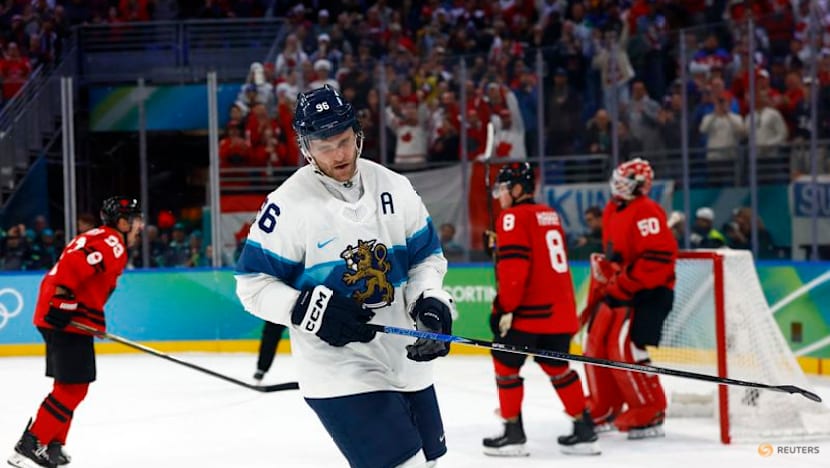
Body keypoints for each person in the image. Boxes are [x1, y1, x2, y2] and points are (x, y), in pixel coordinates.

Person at [235, 85, 456, 468]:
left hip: (407, 361)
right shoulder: (286, 205)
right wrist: (307, 309)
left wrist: (430, 302)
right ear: (306, 148)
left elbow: (426, 258)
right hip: (339, 368)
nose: (339, 154)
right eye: (324, 146)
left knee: (429, 463)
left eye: (343, 141)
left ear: (358, 134)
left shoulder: (394, 186)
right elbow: (252, 285)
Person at [7, 196, 143, 468]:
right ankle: (31, 443)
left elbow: (87, 280)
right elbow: (72, 265)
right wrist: (62, 303)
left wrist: (93, 321)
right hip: (66, 320)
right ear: (123, 222)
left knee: (68, 386)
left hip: (63, 318)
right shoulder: (112, 242)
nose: (140, 226)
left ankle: (52, 445)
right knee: (74, 388)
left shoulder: (99, 236)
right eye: (136, 220)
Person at [483, 162, 600, 457]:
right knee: (557, 366)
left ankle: (512, 433)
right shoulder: (549, 214)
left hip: (530, 314)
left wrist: (501, 309)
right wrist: (500, 247)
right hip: (561, 312)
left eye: (504, 189)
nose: (500, 195)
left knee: (506, 366)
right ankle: (584, 428)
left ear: (519, 189)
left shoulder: (511, 218)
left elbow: (514, 272)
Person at [582, 158, 677, 439]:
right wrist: (609, 270)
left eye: (626, 183)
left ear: (639, 187)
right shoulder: (613, 207)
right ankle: (605, 406)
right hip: (622, 289)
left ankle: (651, 408)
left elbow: (659, 259)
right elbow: (617, 251)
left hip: (649, 292)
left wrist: (625, 281)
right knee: (596, 345)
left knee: (627, 350)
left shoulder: (647, 211)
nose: (619, 187)